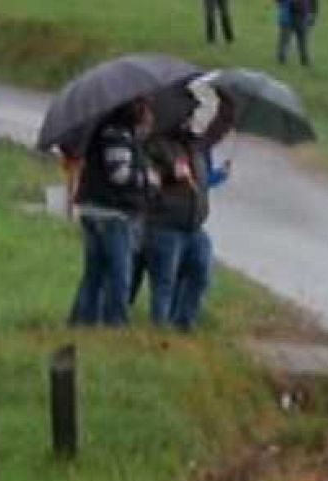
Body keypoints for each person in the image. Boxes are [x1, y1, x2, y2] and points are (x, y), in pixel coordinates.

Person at [144, 82, 234, 331]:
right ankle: (158, 332)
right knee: (164, 283)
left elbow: (219, 128)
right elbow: (148, 180)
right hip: (164, 225)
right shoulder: (155, 144)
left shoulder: (194, 144)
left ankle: (184, 325)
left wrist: (226, 102)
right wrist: (171, 174)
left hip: (194, 226)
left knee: (201, 274)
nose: (192, 118)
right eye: (188, 113)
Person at [69, 99, 158, 328]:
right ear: (135, 112)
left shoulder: (108, 132)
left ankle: (82, 323)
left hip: (94, 209)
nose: (150, 115)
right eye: (146, 109)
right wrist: (148, 178)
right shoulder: (117, 136)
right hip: (112, 214)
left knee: (95, 272)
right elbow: (119, 175)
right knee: (120, 274)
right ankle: (115, 324)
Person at [277, 0, 319, 67]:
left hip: (301, 15)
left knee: (302, 40)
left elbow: (314, 3)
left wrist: (313, 15)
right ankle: (282, 57)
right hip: (288, 14)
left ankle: (304, 60)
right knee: (285, 38)